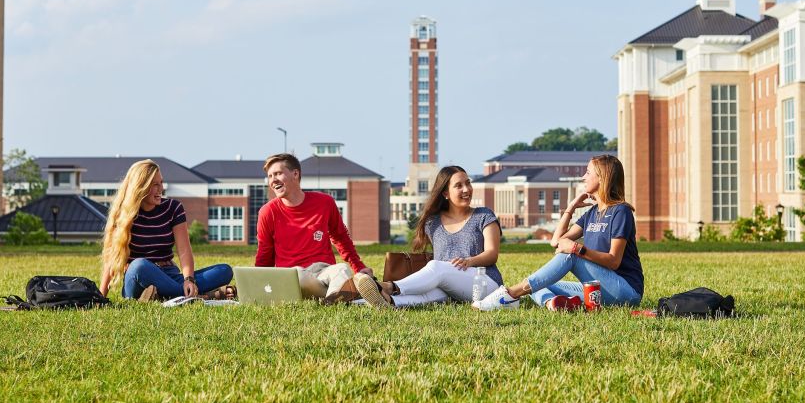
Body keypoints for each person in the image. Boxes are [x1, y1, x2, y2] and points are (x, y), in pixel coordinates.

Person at [473, 154, 643, 311]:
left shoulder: (621, 212)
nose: (583, 177)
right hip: (596, 289)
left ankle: (510, 294)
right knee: (539, 283)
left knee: (570, 254)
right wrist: (570, 208)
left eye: (588, 172)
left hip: (626, 291)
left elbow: (613, 261)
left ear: (602, 177)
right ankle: (553, 304)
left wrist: (577, 249)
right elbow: (556, 241)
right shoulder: (592, 213)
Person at [354, 165, 504, 308]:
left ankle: (388, 286)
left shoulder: (483, 215)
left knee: (436, 267)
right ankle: (385, 300)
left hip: (484, 282)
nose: (466, 189)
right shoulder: (433, 222)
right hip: (448, 283)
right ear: (445, 193)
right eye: (459, 186)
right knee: (424, 295)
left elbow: (492, 254)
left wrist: (469, 261)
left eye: (468, 183)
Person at [100, 159, 233, 300]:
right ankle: (196, 296)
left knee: (224, 271)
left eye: (161, 183)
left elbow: (184, 250)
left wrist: (189, 280)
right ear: (141, 186)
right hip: (138, 279)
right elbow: (112, 258)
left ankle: (165, 295)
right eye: (155, 185)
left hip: (169, 274)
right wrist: (101, 296)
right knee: (139, 265)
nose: (160, 189)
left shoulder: (173, 208)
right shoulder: (123, 213)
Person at [255, 153, 372, 300]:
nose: (273, 180)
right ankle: (346, 293)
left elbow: (341, 238)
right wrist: (257, 285)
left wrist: (359, 268)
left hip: (324, 272)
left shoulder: (325, 202)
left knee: (342, 270)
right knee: (297, 273)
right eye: (270, 176)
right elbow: (265, 254)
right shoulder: (267, 212)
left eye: (278, 173)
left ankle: (334, 299)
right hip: (292, 276)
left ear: (295, 174)